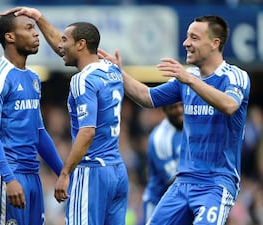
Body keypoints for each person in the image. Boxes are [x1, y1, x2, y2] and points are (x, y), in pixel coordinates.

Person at [98, 15, 250, 225]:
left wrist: (189, 79)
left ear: (215, 43)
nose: (186, 43)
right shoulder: (187, 79)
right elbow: (147, 97)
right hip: (183, 182)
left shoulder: (234, 76)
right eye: (187, 37)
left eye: (194, 38)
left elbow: (229, 105)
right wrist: (119, 73)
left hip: (216, 184)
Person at [2, 7, 129, 225]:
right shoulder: (111, 69)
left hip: (92, 171)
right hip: (117, 171)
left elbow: (87, 132)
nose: (60, 46)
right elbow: (63, 49)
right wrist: (39, 18)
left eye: (65, 40)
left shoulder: (82, 80)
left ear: (81, 44)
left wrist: (65, 173)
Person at [0, 12, 63, 225]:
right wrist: (8, 178)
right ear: (10, 37)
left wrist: (62, 173)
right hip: (5, 175)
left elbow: (39, 132)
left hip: (31, 174)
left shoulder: (33, 78)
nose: (36, 34)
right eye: (28, 28)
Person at [142, 102, 183, 224]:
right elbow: (175, 182)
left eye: (182, 105)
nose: (179, 110)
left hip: (184, 203)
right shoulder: (160, 138)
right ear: (164, 110)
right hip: (159, 205)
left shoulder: (195, 128)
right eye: (173, 107)